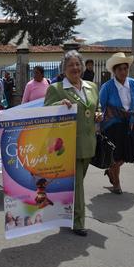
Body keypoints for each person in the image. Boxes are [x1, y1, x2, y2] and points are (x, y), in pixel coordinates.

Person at [44, 50, 101, 237]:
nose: (75, 68)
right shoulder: (56, 89)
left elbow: (95, 107)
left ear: (82, 66)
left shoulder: (92, 86)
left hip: (88, 143)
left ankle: (66, 211)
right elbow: (45, 112)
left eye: (78, 64)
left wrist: (98, 114)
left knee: (77, 183)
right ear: (64, 69)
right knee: (78, 185)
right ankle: (78, 222)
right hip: (68, 145)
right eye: (71, 65)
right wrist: (59, 105)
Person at [100, 52, 134, 195]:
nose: (123, 72)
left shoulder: (133, 84)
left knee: (126, 156)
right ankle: (116, 184)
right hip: (113, 127)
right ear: (114, 71)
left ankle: (111, 171)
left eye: (125, 68)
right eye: (120, 69)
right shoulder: (107, 87)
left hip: (128, 125)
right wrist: (99, 126)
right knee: (116, 156)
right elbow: (101, 107)